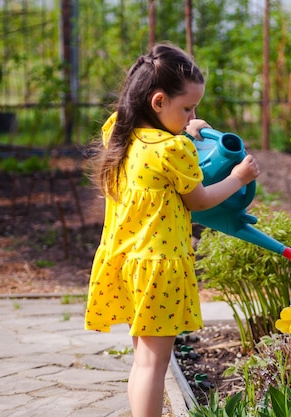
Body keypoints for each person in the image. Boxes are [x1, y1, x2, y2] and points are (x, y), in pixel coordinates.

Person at [84, 42, 259, 417]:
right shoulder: (172, 150)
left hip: (128, 261)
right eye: (188, 108)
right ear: (158, 102)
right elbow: (198, 200)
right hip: (159, 267)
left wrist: (188, 125)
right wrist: (238, 177)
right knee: (154, 364)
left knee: (142, 359)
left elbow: (132, 115)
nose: (193, 114)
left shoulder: (120, 133)